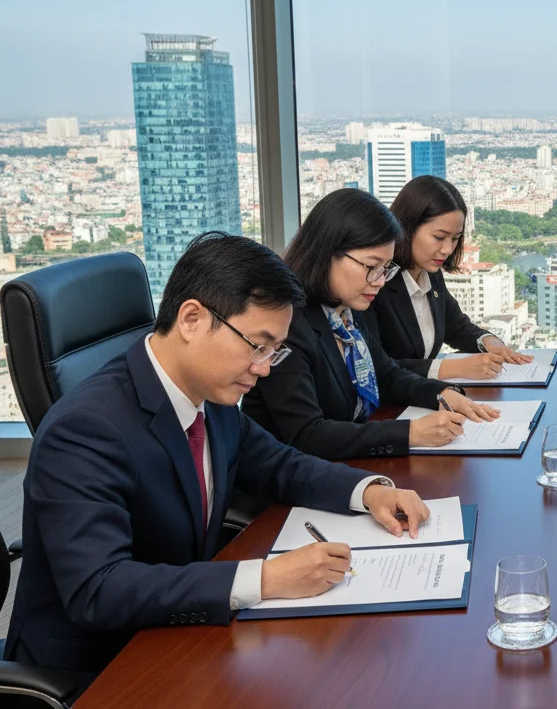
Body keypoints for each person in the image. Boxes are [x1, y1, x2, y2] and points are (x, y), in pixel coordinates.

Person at [5, 232, 435, 687]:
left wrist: (367, 491)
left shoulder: (211, 397)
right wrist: (266, 579)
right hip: (101, 670)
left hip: (184, 635)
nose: (266, 367)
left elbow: (279, 464)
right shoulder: (85, 430)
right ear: (191, 319)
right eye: (258, 345)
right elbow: (100, 590)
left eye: (275, 350)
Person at [243, 188, 497, 460]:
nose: (379, 280)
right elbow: (308, 434)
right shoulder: (287, 324)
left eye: (386, 268)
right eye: (372, 266)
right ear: (328, 253)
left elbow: (386, 375)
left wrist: (442, 393)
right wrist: (409, 433)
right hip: (281, 491)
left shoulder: (347, 310)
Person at [371, 175, 532, 381]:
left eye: (455, 238)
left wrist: (488, 341)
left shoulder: (431, 274)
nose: (447, 249)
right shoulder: (375, 284)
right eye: (439, 237)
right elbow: (377, 366)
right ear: (407, 228)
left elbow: (455, 326)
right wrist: (452, 368)